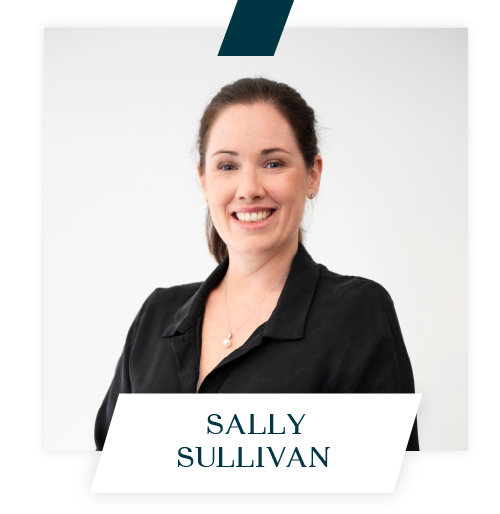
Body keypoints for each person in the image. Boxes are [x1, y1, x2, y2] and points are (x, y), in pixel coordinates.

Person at [95, 78, 419, 451]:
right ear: (204, 180)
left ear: (312, 174)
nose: (249, 188)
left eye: (273, 163)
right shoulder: (156, 315)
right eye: (227, 166)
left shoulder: (355, 312)